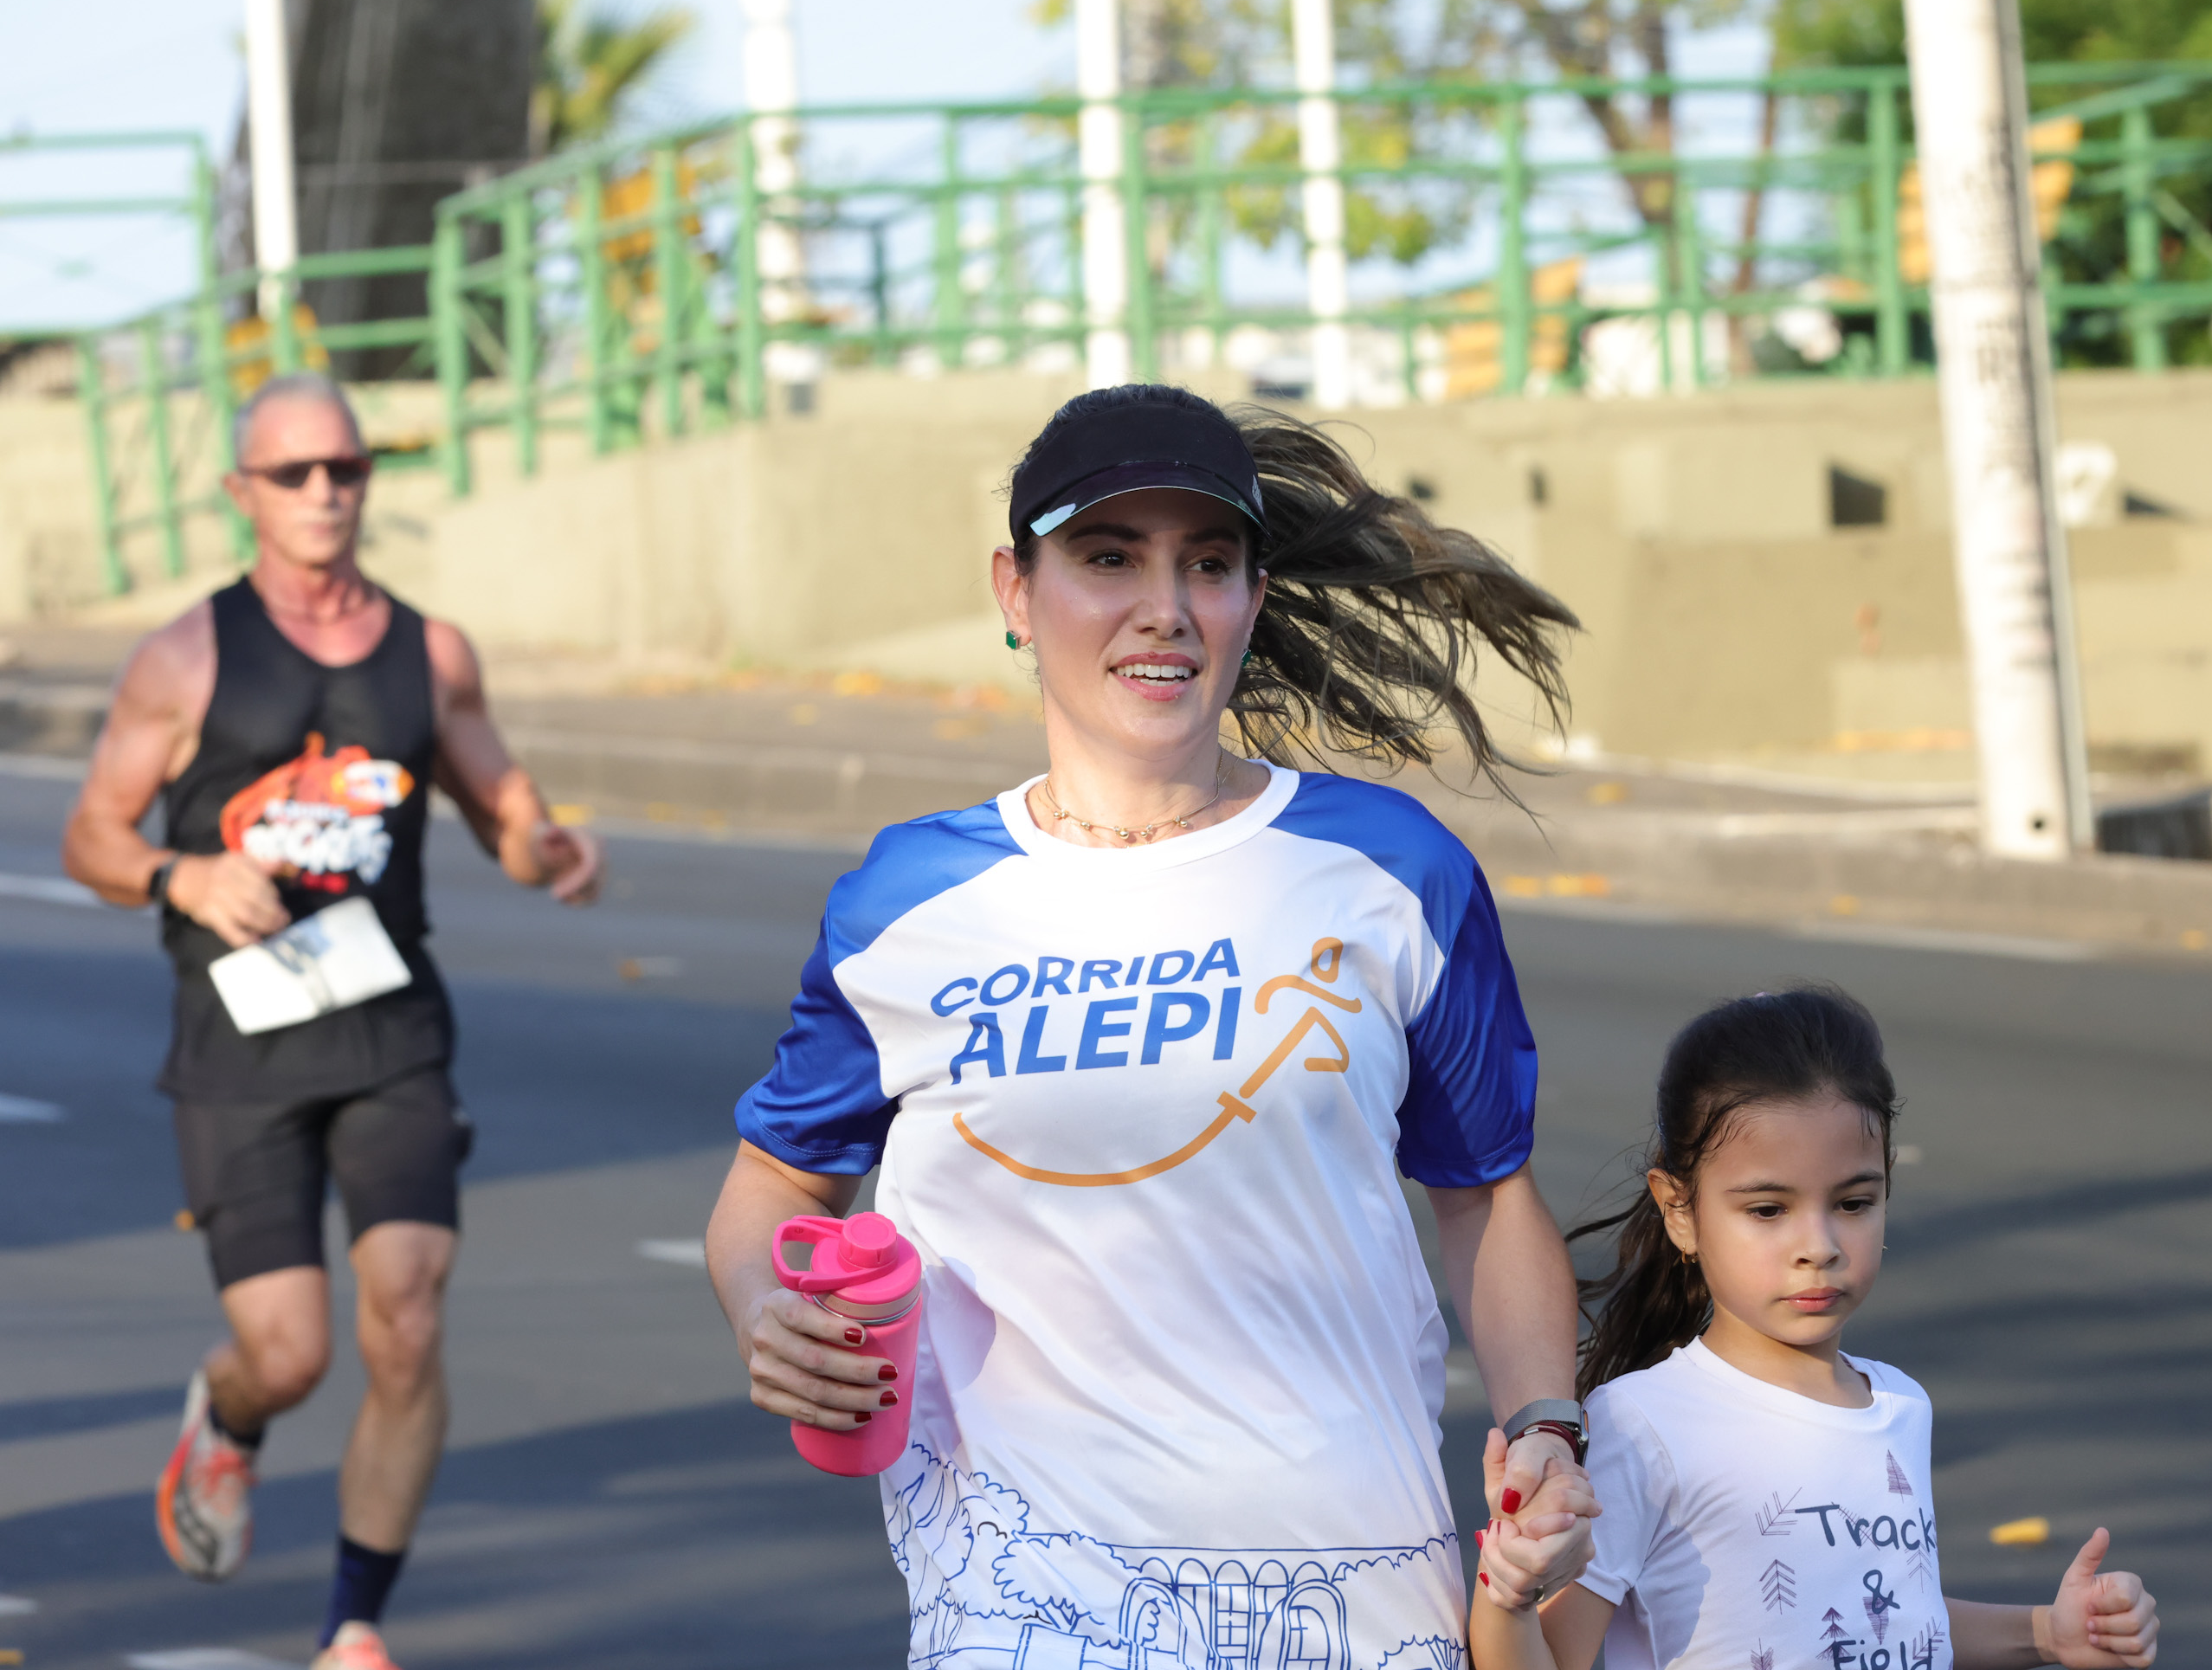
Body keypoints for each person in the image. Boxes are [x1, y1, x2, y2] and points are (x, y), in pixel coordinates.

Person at [706, 384, 1598, 1667]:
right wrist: (761, 1308)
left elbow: (1482, 1198)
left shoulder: (1390, 870)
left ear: (1251, 596)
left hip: (1347, 1589)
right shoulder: (907, 902)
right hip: (1026, 1604)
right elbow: (775, 1177)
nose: (1164, 607)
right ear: (1017, 591)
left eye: (1209, 564)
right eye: (1108, 557)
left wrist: (1549, 1431)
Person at [61, 373, 602, 1670]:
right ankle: (233, 1415)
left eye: (344, 471)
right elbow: (90, 832)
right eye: (293, 474)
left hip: (389, 1024)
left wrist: (547, 849)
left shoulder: (434, 653)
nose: (323, 494)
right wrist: (178, 875)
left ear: (367, 480)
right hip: (238, 1041)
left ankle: (353, 1621)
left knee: (407, 1309)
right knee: (290, 1350)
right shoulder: (185, 655)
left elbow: (504, 808)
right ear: (243, 492)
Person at [1469, 987, 2163, 1670]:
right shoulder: (1643, 1426)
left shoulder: (1899, 1404)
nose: (1819, 1245)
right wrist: (1509, 1592)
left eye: (1854, 1202)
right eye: (1769, 1210)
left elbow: (1886, 1616)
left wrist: (2048, 1634)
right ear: (1679, 1210)